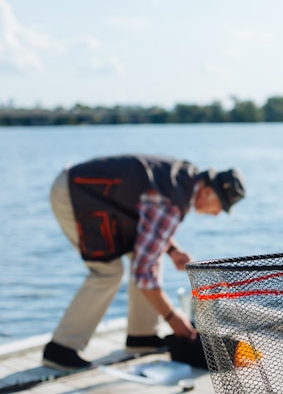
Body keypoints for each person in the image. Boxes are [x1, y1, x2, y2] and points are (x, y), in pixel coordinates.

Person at [42, 154, 246, 371]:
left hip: (92, 194)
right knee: (108, 272)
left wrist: (172, 249)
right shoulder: (171, 201)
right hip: (75, 192)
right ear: (207, 192)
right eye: (220, 207)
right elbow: (143, 270)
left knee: (150, 258)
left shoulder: (184, 179)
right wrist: (172, 317)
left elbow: (150, 221)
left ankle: (142, 336)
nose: (216, 215)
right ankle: (60, 349)